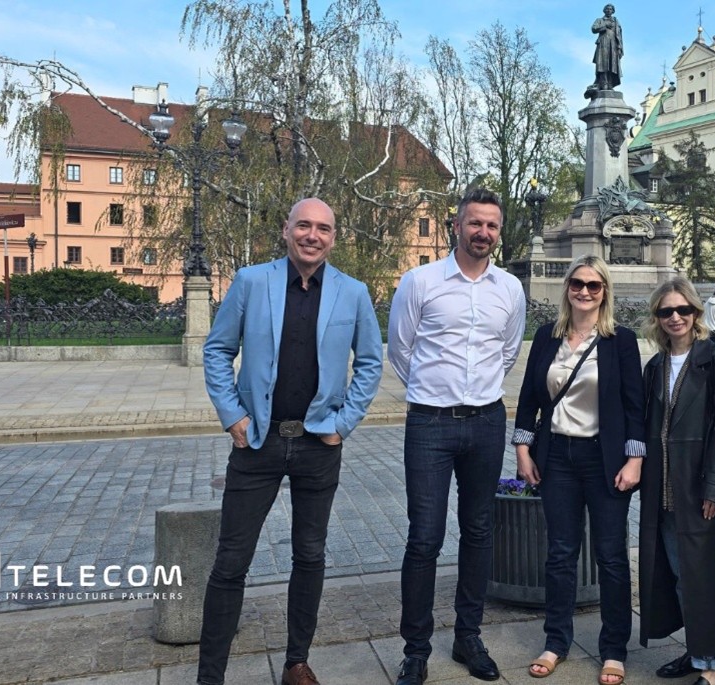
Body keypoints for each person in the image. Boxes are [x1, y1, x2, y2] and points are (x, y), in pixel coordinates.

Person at [199, 198, 384, 685]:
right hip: (257, 443)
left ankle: (296, 663)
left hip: (318, 446)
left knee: (310, 556)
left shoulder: (353, 293)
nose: (312, 236)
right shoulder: (251, 282)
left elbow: (370, 363)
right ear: (286, 230)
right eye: (304, 225)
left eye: (323, 228)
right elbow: (217, 350)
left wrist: (344, 423)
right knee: (230, 562)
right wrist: (233, 416)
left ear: (333, 238)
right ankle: (209, 677)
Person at [388, 187, 527, 685]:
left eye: (491, 225)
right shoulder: (420, 281)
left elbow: (507, 351)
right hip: (430, 424)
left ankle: (468, 636)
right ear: (456, 225)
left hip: (486, 422)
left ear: (499, 231)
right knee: (424, 537)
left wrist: (474, 393)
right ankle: (416, 650)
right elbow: (400, 349)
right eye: (475, 223)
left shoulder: (510, 289)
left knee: (479, 531)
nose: (483, 232)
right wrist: (435, 392)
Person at [512, 254, 644, 685]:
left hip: (604, 461)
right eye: (577, 284)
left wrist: (635, 459)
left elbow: (635, 406)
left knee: (611, 557)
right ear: (567, 288)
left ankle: (614, 649)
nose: (584, 291)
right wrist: (523, 450)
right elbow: (529, 399)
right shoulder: (546, 336)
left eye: (594, 285)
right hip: (557, 459)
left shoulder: (620, 340)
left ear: (605, 292)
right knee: (560, 554)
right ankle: (556, 642)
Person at [639, 277, 715, 685]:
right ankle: (697, 652)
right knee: (678, 576)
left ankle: (711, 668)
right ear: (657, 318)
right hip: (664, 493)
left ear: (696, 312)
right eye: (666, 311)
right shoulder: (655, 366)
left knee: (702, 581)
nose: (675, 318)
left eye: (683, 310)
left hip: (701, 491)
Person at [591, 4, 623, 91]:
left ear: (613, 11)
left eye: (610, 9)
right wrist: (604, 27)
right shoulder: (600, 20)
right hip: (603, 44)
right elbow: (593, 29)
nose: (609, 10)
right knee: (603, 64)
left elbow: (619, 36)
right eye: (607, 9)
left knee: (612, 65)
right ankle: (604, 83)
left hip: (613, 45)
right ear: (604, 10)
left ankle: (610, 84)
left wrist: (619, 48)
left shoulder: (616, 21)